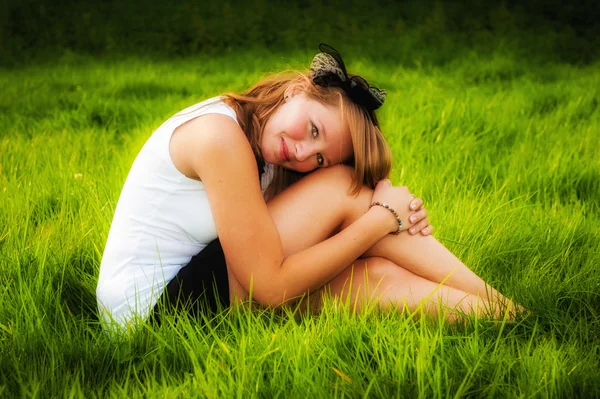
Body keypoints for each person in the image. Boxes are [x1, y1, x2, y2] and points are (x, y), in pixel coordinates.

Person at [96, 44, 519, 328]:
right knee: (344, 186)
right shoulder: (220, 136)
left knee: (374, 278)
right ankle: (505, 309)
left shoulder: (262, 145)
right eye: (313, 128)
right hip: (149, 310)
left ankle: (507, 316)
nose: (302, 154)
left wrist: (386, 213)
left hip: (188, 293)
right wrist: (381, 219)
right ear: (297, 90)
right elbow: (272, 287)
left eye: (319, 156)